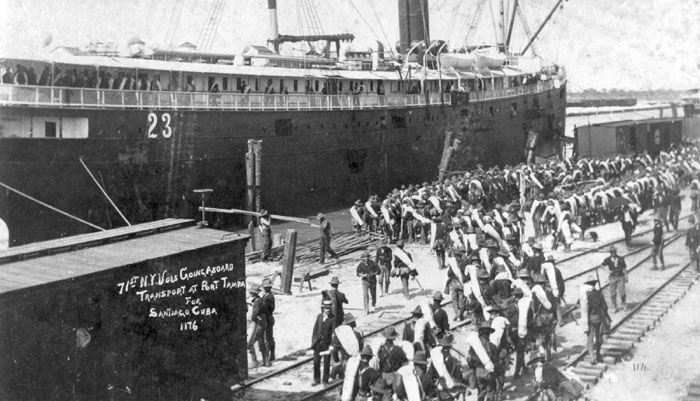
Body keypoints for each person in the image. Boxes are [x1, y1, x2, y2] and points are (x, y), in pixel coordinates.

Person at [465, 322, 500, 401]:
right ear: (489, 333)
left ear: (480, 332)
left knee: (481, 391)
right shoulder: (492, 346)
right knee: (491, 391)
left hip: (478, 371)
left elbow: (470, 360)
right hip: (489, 372)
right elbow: (496, 361)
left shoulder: (474, 346)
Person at [580, 275, 609, 365]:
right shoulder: (598, 293)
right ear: (594, 284)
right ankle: (598, 354)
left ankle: (592, 358)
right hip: (599, 317)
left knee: (590, 338)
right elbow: (605, 307)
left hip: (589, 318)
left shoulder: (584, 294)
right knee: (599, 336)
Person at [428, 334, 466, 400]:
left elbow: (430, 374)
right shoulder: (451, 360)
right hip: (446, 388)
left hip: (443, 387)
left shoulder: (440, 359)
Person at [330, 313, 363, 380]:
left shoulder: (339, 334)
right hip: (354, 360)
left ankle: (334, 375)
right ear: (351, 324)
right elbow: (361, 347)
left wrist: (337, 360)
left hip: (343, 359)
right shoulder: (358, 334)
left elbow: (334, 349)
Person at [311, 299, 335, 385]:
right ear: (323, 308)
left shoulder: (332, 318)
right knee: (316, 362)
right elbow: (315, 329)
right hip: (318, 344)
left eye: (329, 308)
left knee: (326, 363)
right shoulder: (319, 317)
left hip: (326, 344)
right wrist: (313, 341)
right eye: (326, 308)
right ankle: (316, 379)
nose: (327, 310)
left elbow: (334, 333)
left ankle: (325, 380)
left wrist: (332, 345)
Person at [248, 283, 269, 368]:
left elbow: (255, 314)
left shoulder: (257, 302)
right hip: (263, 324)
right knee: (261, 343)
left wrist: (253, 318)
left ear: (253, 293)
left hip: (258, 325)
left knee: (250, 343)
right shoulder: (260, 300)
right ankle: (266, 361)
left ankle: (254, 361)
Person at [601, 246, 627, 312]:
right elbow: (602, 265)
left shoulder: (620, 258)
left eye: (614, 251)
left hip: (620, 276)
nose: (613, 253)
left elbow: (624, 268)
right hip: (612, 277)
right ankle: (615, 307)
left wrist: (626, 277)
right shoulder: (607, 259)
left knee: (622, 292)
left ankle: (623, 304)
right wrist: (607, 271)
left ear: (616, 252)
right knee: (613, 293)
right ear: (610, 253)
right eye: (612, 252)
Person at [261, 278, 276, 362]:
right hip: (266, 318)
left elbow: (270, 309)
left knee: (268, 337)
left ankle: (270, 355)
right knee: (267, 337)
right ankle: (269, 355)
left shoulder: (269, 297)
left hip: (268, 318)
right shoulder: (265, 295)